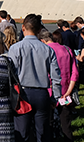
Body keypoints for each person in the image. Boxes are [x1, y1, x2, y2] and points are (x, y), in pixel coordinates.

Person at [8, 14, 61, 142]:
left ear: (23, 27)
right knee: (42, 133)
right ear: (39, 30)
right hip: (42, 93)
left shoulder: (15, 48)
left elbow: (11, 74)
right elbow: (56, 76)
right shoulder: (48, 50)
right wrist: (55, 96)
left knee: (22, 133)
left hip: (23, 93)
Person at [40, 29, 78, 142]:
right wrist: (69, 91)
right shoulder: (67, 49)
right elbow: (74, 73)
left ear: (42, 41)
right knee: (66, 124)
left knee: (49, 124)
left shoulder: (45, 51)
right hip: (65, 92)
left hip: (49, 91)